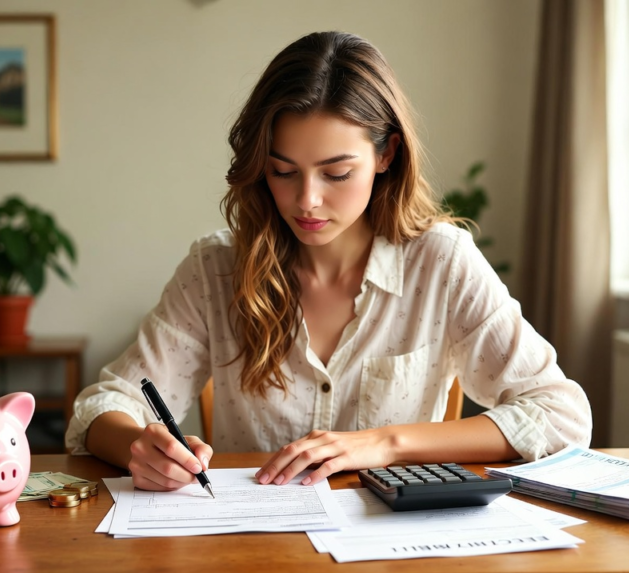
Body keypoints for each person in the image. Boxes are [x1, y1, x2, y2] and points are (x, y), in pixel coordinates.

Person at [65, 31, 592, 492]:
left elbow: (560, 415)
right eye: (283, 171)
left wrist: (383, 445)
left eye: (336, 173)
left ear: (386, 155)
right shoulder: (214, 270)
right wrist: (140, 445)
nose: (306, 201)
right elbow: (100, 406)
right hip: (248, 550)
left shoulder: (441, 262)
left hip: (394, 550)